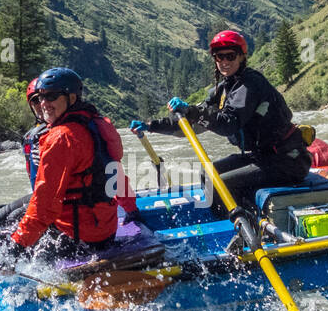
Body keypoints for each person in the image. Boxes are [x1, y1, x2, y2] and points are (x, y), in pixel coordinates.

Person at [131, 29, 309, 213]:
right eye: (219, 57)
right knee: (206, 173)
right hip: (263, 156)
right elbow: (192, 123)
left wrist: (192, 111)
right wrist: (151, 126)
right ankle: (224, 220)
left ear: (241, 57)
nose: (224, 62)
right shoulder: (225, 88)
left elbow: (228, 123)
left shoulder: (250, 84)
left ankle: (243, 228)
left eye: (230, 56)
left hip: (287, 161)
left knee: (221, 183)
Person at [0, 67, 137, 261]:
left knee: (6, 231)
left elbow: (45, 204)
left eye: (52, 96)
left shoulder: (61, 137)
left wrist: (17, 247)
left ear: (72, 98)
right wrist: (131, 209)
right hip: (105, 231)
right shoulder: (97, 123)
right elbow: (116, 174)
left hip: (80, 237)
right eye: (40, 98)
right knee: (14, 218)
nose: (44, 104)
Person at [0, 79, 46, 227]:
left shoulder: (58, 133)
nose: (42, 104)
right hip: (39, 195)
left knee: (12, 218)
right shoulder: (33, 134)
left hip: (55, 200)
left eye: (47, 98)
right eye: (36, 100)